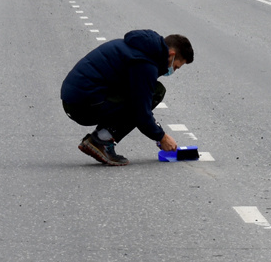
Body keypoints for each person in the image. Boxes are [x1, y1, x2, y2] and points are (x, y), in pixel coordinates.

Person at [61, 30, 194, 166]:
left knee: (144, 95)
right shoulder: (145, 64)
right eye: (176, 66)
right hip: (83, 105)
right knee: (155, 93)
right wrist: (162, 137)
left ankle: (101, 138)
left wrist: (156, 131)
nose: (173, 70)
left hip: (76, 100)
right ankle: (101, 140)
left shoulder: (140, 49)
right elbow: (141, 112)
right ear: (171, 55)